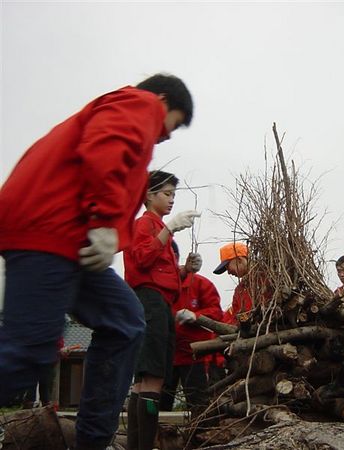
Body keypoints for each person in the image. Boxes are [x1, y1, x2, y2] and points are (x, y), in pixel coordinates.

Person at [0, 73, 193, 450]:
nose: (170, 134)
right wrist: (105, 219)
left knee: (125, 322)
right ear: (162, 99)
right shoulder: (138, 105)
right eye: (176, 121)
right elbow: (104, 147)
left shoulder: (137, 128)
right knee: (29, 355)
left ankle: (91, 442)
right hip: (46, 230)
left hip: (74, 243)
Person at [123, 170, 200, 450]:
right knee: (153, 377)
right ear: (148, 195)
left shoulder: (154, 226)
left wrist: (184, 271)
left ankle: (136, 446)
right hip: (150, 303)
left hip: (157, 302)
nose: (171, 201)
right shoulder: (145, 224)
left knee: (143, 380)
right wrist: (170, 229)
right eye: (166, 194)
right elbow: (142, 259)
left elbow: (157, 271)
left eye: (173, 195)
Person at [160, 251, 225, 412]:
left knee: (198, 403)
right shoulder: (162, 287)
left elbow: (216, 313)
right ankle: (157, 434)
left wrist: (195, 317)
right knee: (160, 401)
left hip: (194, 356)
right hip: (166, 355)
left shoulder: (202, 284)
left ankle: (200, 435)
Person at [213, 242, 253, 325]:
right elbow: (234, 318)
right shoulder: (239, 290)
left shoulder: (268, 277)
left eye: (228, 266)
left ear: (239, 260)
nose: (228, 272)